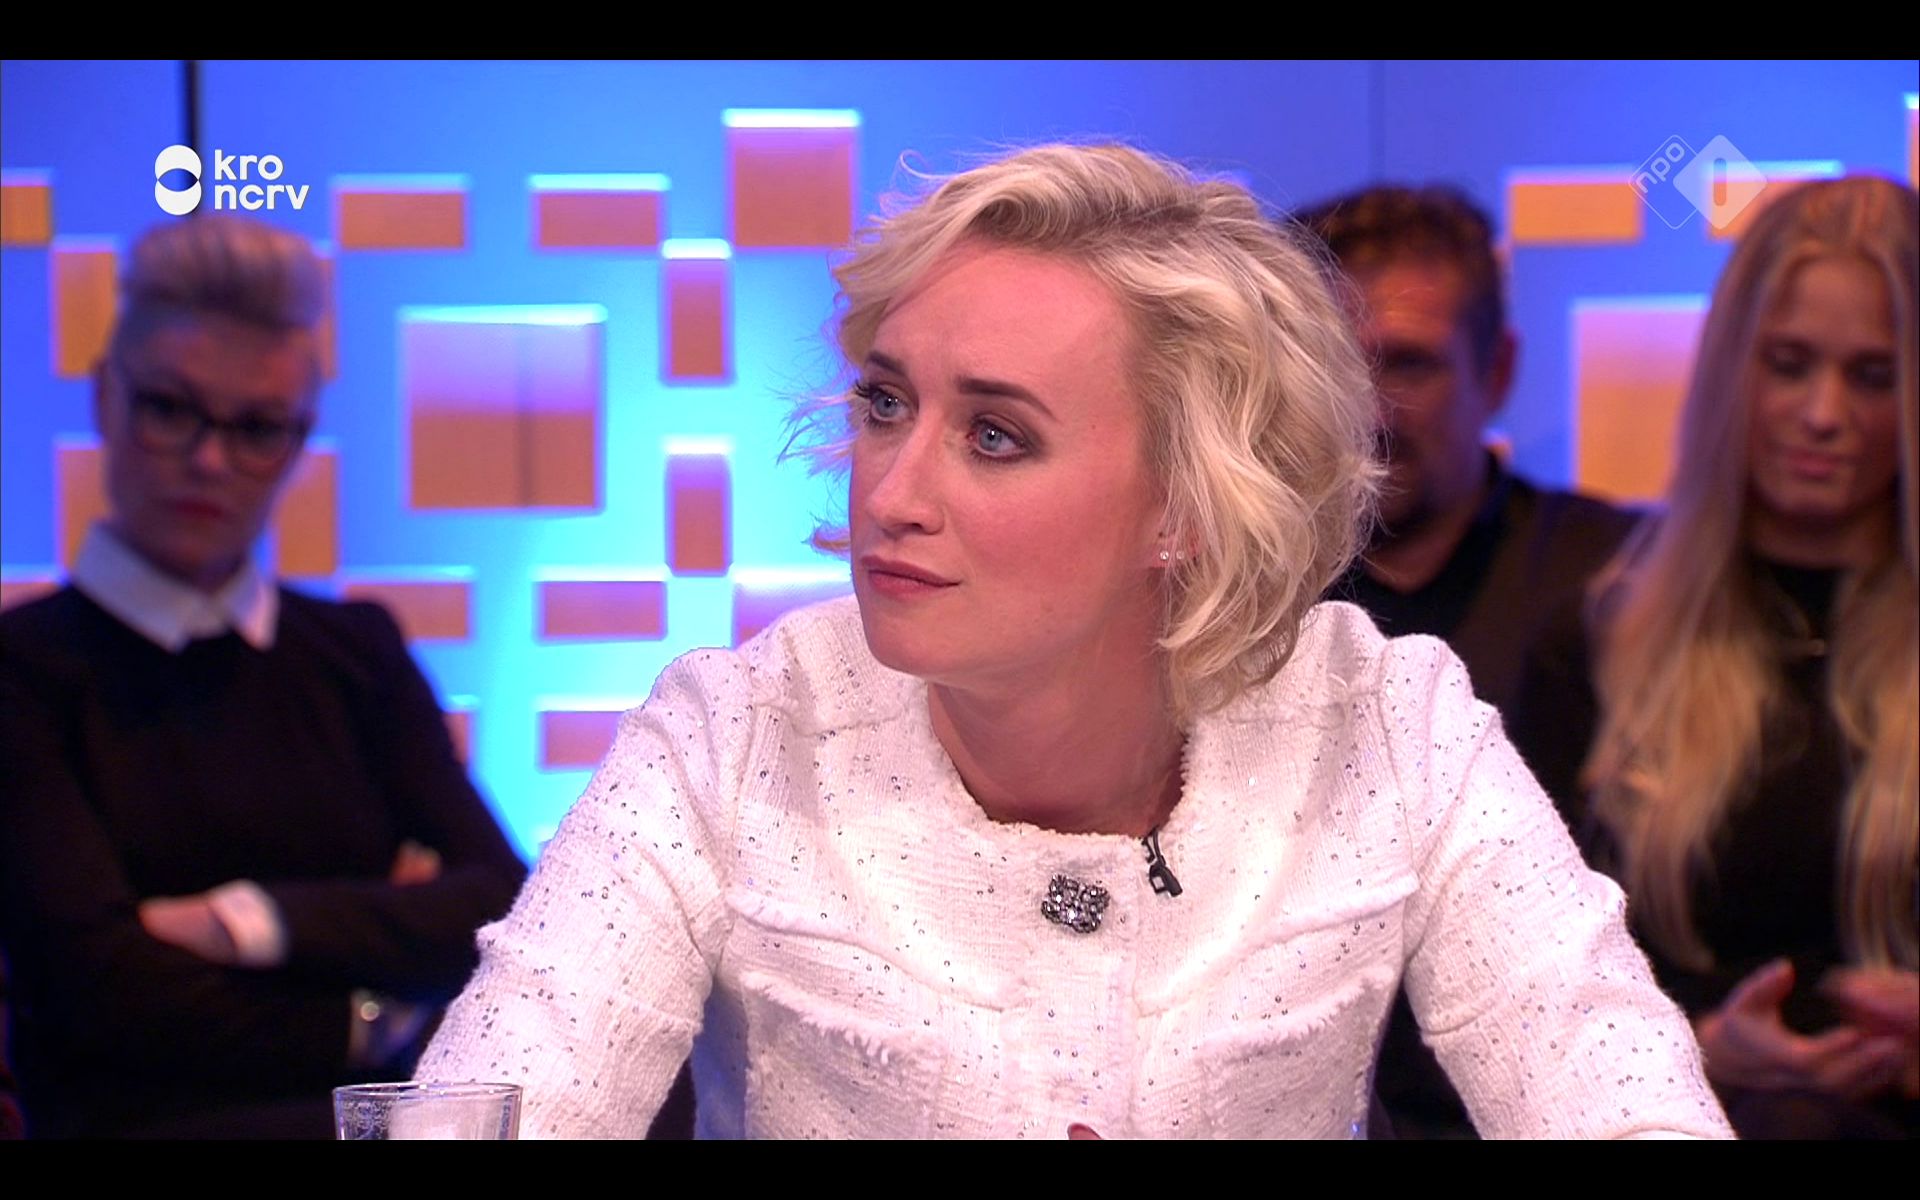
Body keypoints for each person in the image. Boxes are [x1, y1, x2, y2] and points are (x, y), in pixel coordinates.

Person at [418, 144, 1730, 1139]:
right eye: (887, 403)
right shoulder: (739, 732)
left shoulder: (1385, 722)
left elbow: (1623, 1102)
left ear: (1186, 502)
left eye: (995, 435)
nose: (891, 492)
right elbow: (485, 1111)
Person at [0, 213, 527, 1138]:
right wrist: (371, 1012)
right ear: (106, 399)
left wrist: (242, 922)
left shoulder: (357, 651)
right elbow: (97, 994)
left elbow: (502, 911)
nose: (209, 459)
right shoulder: (22, 671)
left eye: (256, 428)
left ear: (299, 441)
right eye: (172, 408)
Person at [1510, 176, 1918, 1138]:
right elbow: (1521, 992)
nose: (1824, 413)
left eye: (1873, 375)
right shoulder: (1597, 646)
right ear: (1732, 371)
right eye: (1788, 364)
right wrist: (1694, 1048)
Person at [1297, 185, 1637, 1137]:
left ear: (1500, 368)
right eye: (1335, 364)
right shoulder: (1226, 608)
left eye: (1408, 363)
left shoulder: (1621, 586)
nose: (1370, 407)